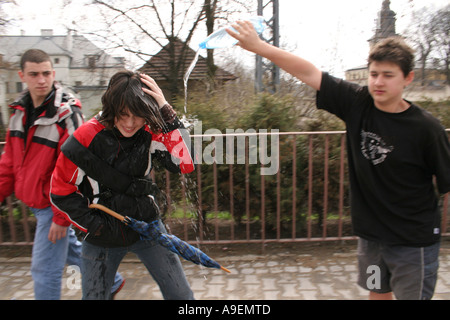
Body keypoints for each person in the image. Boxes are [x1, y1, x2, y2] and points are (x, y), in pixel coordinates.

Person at [227, 21, 450, 300]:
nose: (378, 82)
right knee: (377, 293)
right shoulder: (358, 103)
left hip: (413, 241)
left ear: (408, 78)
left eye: (388, 75)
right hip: (372, 238)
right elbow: (309, 72)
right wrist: (260, 47)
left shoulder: (427, 128)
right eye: (374, 74)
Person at [50, 70, 195, 300]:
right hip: (102, 235)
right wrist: (94, 226)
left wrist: (165, 108)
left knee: (181, 296)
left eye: (138, 115)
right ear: (111, 108)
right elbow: (60, 191)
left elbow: (185, 163)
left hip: (147, 226)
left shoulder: (150, 129)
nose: (130, 123)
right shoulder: (85, 136)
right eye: (123, 114)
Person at [0, 49, 124, 300]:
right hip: (36, 201)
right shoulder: (19, 112)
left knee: (45, 269)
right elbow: (9, 161)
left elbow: (79, 166)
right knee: (71, 251)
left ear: (53, 73)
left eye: (46, 73)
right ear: (22, 75)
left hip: (54, 203)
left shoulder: (67, 113)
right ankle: (110, 282)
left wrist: (60, 216)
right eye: (34, 74)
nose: (41, 80)